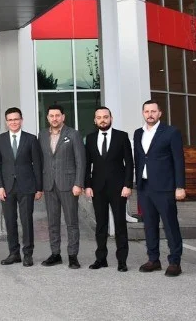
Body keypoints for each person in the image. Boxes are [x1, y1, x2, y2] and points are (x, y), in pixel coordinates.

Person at [134, 100, 186, 277]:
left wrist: (180, 186)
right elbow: (139, 159)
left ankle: (174, 262)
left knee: (170, 225)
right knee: (149, 225)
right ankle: (153, 259)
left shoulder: (171, 132)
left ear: (160, 113)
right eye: (147, 111)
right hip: (145, 187)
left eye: (153, 111)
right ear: (143, 113)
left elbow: (178, 160)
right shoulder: (138, 133)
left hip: (165, 187)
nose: (150, 114)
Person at [84, 106, 134, 272]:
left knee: (120, 224)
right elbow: (87, 164)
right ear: (95, 120)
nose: (102, 120)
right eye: (99, 117)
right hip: (97, 188)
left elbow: (129, 163)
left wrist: (128, 185)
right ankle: (101, 259)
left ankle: (122, 261)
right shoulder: (90, 138)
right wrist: (87, 185)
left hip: (119, 188)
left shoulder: (122, 136)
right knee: (101, 225)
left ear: (111, 118)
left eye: (105, 117)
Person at [0, 107, 43, 267]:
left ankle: (28, 254)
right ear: (6, 122)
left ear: (21, 120)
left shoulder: (31, 139)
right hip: (7, 187)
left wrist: (39, 188)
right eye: (10, 120)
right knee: (10, 221)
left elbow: (37, 164)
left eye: (16, 119)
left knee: (26, 221)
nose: (13, 122)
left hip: (27, 186)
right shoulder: (0, 139)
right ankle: (14, 253)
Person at [38, 104, 86, 269]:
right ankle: (55, 254)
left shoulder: (73, 134)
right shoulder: (42, 135)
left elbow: (80, 161)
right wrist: (40, 185)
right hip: (49, 184)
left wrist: (78, 183)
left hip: (68, 185)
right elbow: (41, 160)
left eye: (57, 115)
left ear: (63, 117)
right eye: (51, 116)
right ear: (47, 118)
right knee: (52, 222)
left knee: (71, 222)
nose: (54, 118)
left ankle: (73, 256)